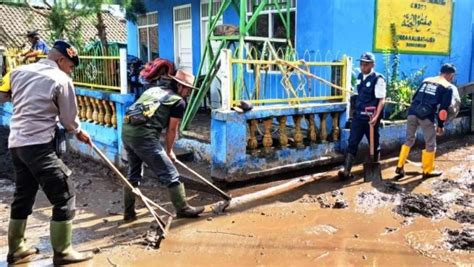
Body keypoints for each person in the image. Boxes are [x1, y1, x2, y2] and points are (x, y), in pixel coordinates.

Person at [6, 40, 93, 265]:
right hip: (38, 145)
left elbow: (3, 94)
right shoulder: (62, 80)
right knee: (64, 193)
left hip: (16, 144)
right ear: (61, 60)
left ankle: (17, 249)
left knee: (23, 195)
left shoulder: (18, 71)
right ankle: (63, 252)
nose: (71, 71)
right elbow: (68, 120)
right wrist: (79, 132)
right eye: (71, 66)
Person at [122, 69, 204, 221]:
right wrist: (170, 151)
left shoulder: (154, 89)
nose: (189, 93)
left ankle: (129, 213)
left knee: (133, 174)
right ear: (180, 86)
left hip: (127, 131)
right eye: (188, 90)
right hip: (144, 137)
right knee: (171, 174)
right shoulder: (178, 101)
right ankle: (183, 209)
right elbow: (172, 130)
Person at [395, 64, 455, 179]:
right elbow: (443, 110)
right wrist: (441, 125)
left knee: (409, 140)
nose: (452, 78)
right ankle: (427, 171)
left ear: (440, 72)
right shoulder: (448, 87)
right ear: (449, 75)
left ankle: (400, 166)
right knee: (430, 143)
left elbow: (414, 97)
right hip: (426, 116)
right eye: (452, 76)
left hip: (412, 112)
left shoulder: (427, 80)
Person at [338, 52, 386, 180]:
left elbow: (381, 100)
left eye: (366, 65)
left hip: (371, 119)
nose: (363, 67)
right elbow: (357, 95)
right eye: (361, 64)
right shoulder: (360, 76)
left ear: (372, 65)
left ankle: (374, 170)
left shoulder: (378, 79)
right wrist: (353, 113)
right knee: (352, 142)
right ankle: (346, 171)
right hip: (359, 117)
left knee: (374, 144)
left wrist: (376, 117)